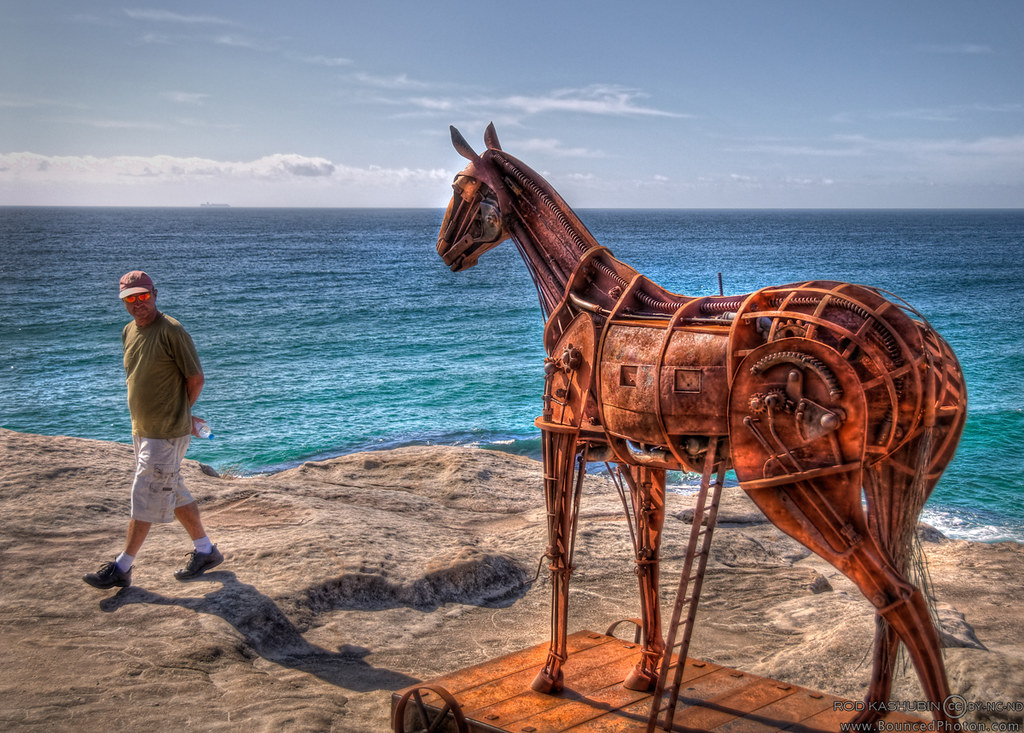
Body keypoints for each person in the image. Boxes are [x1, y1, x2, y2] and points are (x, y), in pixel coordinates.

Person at [83, 271, 223, 589]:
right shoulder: (128, 332)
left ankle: (123, 567)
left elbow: (196, 378)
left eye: (143, 296)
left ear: (155, 294)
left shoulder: (171, 330)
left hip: (165, 432)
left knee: (144, 494)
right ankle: (206, 551)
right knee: (171, 489)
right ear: (123, 302)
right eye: (130, 298)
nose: (137, 304)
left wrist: (181, 412)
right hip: (143, 429)